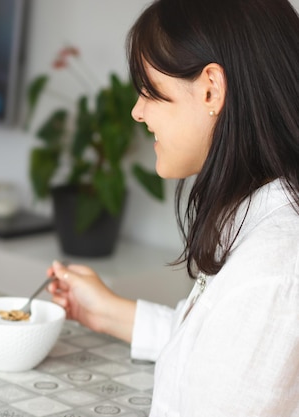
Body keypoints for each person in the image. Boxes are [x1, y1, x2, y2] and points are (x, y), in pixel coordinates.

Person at [46, 0, 299, 415]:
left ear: (211, 89)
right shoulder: (260, 221)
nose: (137, 111)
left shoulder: (273, 272)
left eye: (150, 90)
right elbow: (213, 351)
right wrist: (106, 311)